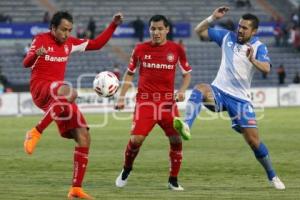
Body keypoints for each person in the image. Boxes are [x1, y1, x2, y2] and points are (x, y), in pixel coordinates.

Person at [174, 6, 285, 190]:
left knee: (254, 142)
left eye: (244, 28)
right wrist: (212, 18)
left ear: (254, 31)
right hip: (219, 92)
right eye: (239, 26)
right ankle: (187, 125)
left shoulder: (258, 47)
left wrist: (252, 60)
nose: (240, 30)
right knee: (200, 88)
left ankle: (272, 176)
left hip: (240, 101)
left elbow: (266, 68)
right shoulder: (227, 36)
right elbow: (198, 31)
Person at [23, 11, 123, 199]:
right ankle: (35, 132)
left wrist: (113, 25)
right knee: (71, 92)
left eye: (69, 30)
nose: (66, 34)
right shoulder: (41, 39)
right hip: (41, 88)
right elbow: (26, 63)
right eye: (63, 30)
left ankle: (76, 189)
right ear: (53, 28)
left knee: (84, 136)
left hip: (58, 96)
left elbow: (97, 44)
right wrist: (36, 54)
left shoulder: (70, 44)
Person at [114, 15, 192, 191]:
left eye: (159, 29)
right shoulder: (140, 49)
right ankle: (126, 169)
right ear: (149, 30)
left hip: (167, 103)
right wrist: (121, 97)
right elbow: (130, 73)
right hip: (145, 103)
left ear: (167, 30)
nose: (156, 32)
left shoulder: (177, 49)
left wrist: (181, 91)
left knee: (176, 139)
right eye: (152, 29)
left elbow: (187, 73)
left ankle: (173, 180)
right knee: (136, 140)